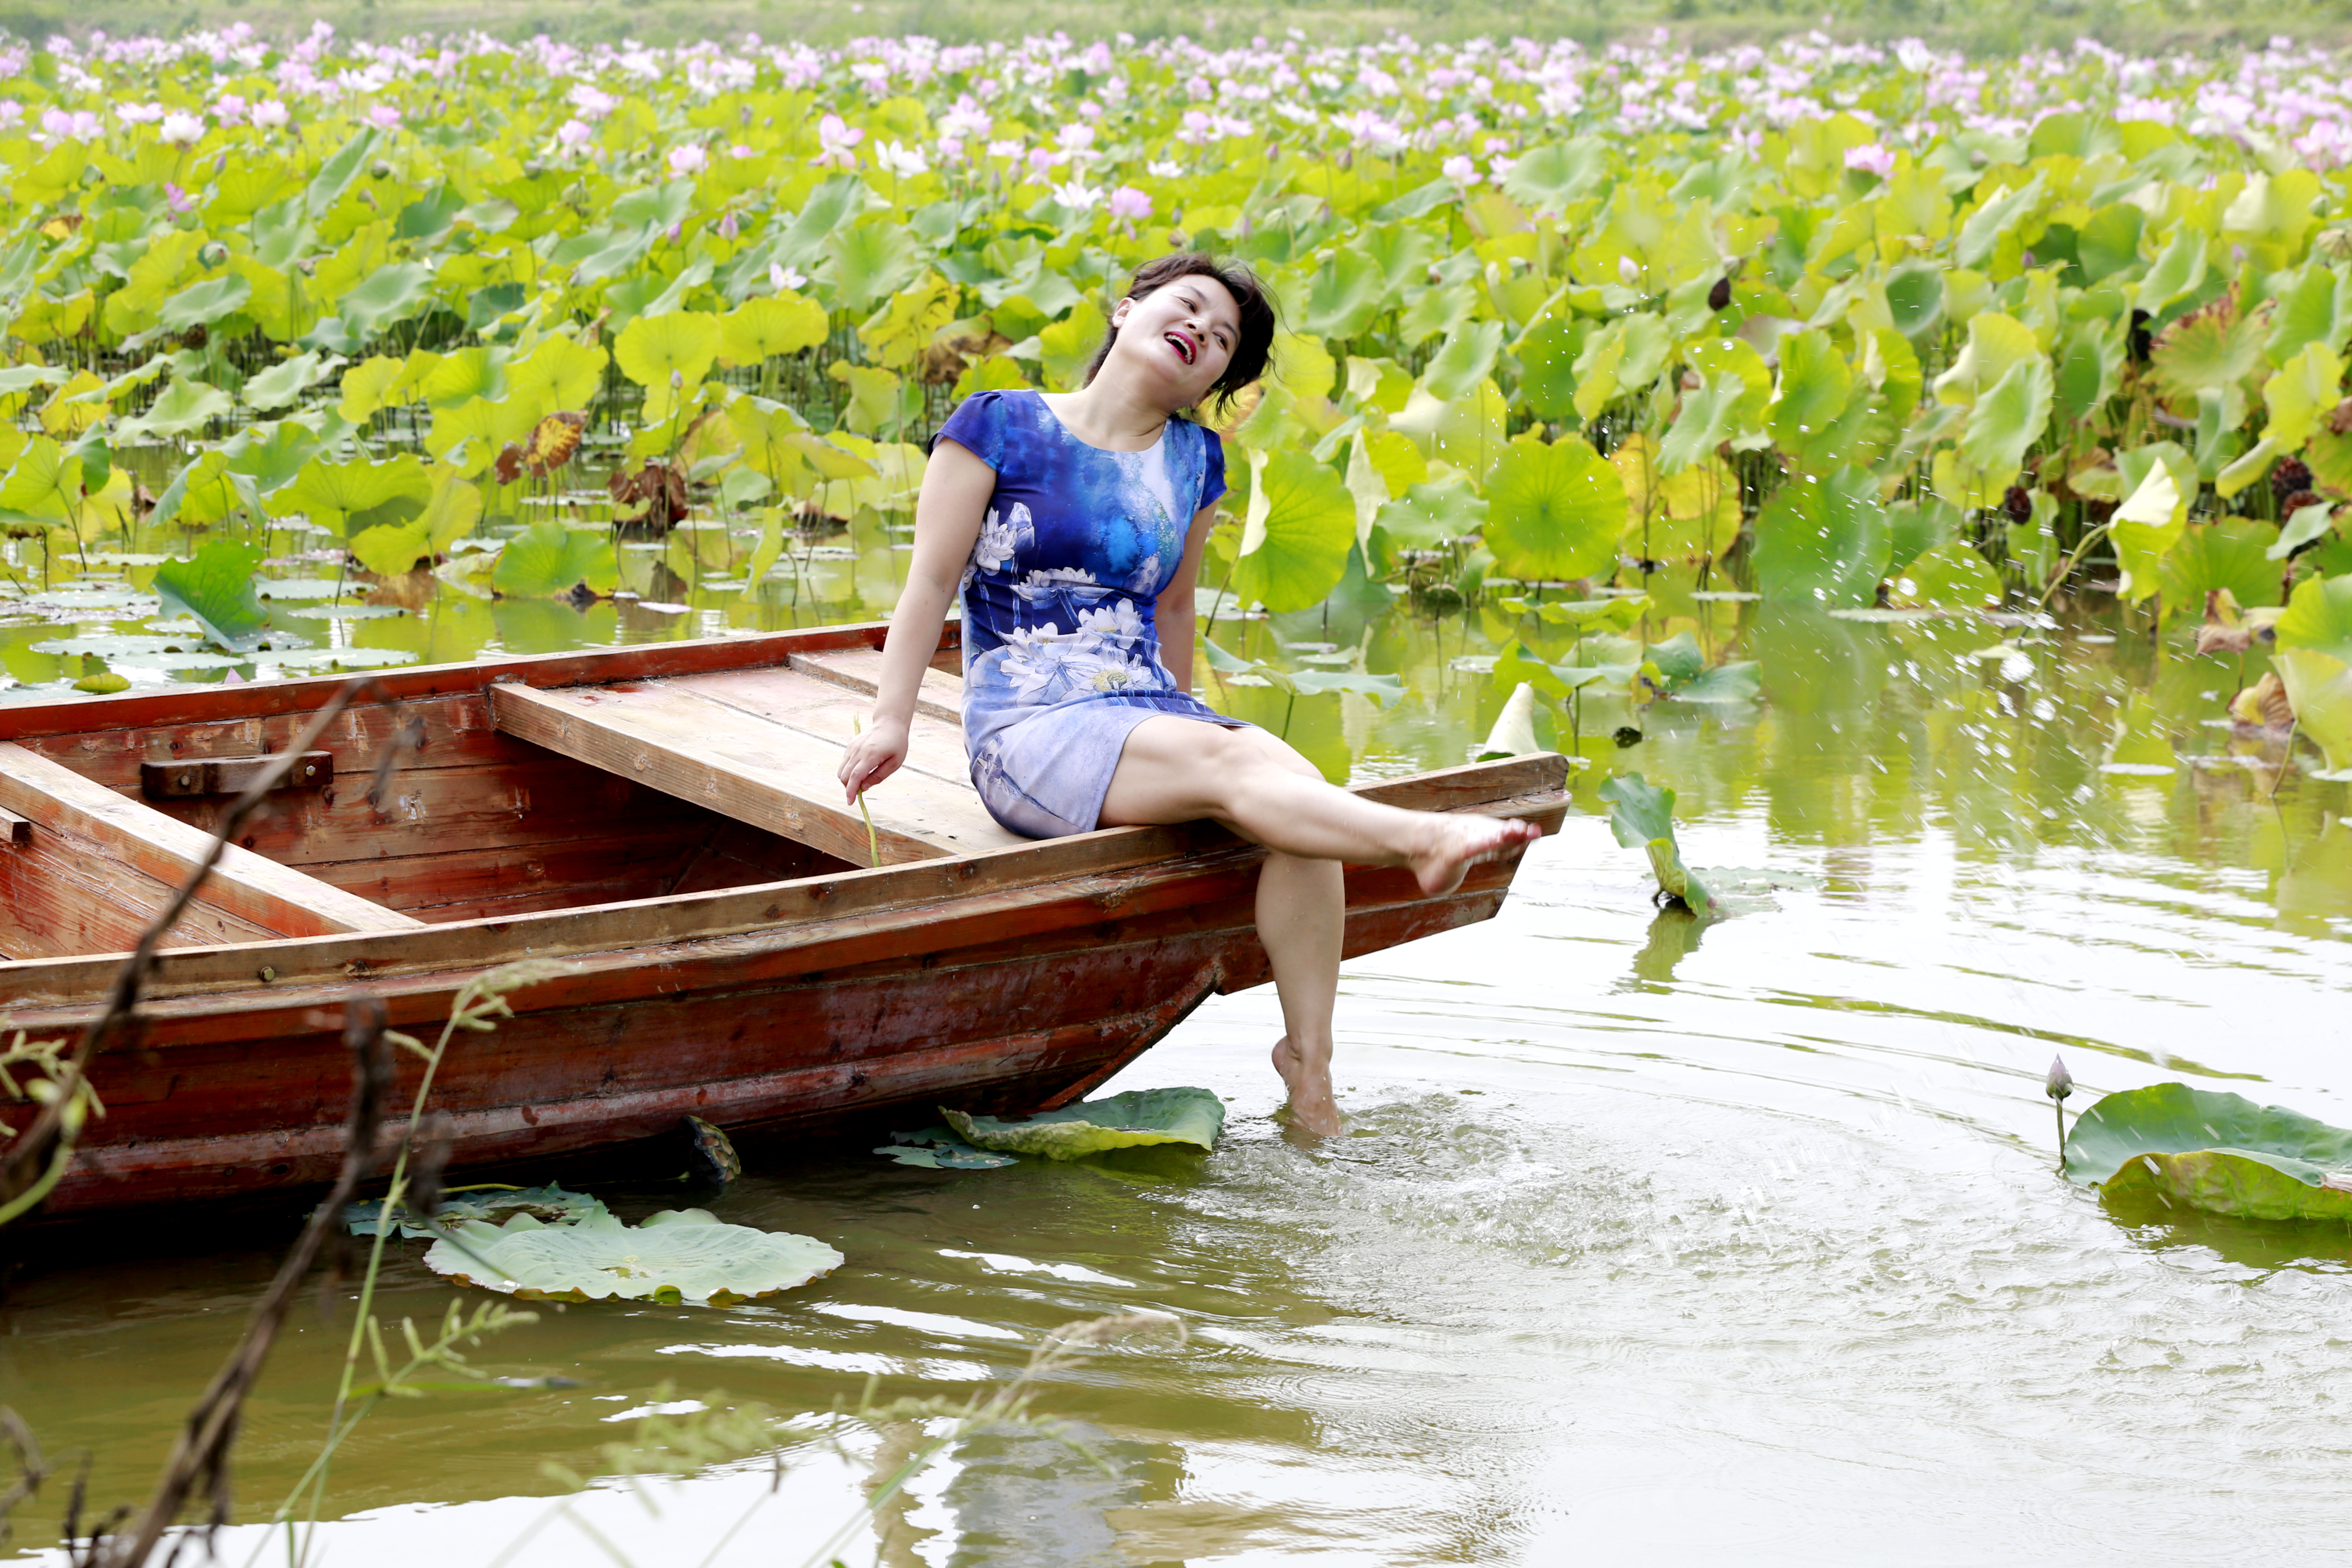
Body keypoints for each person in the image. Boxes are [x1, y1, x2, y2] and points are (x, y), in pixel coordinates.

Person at [836, 253, 1538, 1137]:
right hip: (1028, 729)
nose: (1202, 334)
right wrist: (890, 719)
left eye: (1222, 342)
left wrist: (1195, 728)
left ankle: (1310, 1071)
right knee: (1258, 774)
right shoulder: (1000, 424)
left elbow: (1172, 607)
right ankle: (1419, 840)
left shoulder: (1193, 458)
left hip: (1145, 715)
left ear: (1214, 380)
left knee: (1291, 784)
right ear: (1126, 310)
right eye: (1190, 309)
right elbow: (929, 580)